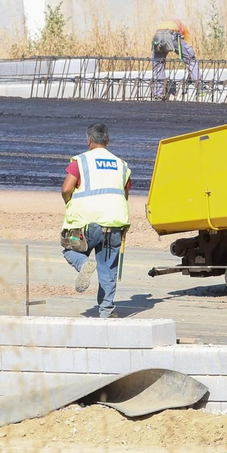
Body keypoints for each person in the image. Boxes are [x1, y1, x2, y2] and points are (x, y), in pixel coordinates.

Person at [59, 123, 133, 318]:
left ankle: (84, 265)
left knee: (70, 250)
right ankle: (106, 312)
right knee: (108, 269)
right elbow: (125, 193)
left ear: (89, 140)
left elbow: (66, 188)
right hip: (114, 225)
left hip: (85, 225)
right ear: (108, 141)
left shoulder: (80, 161)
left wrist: (69, 202)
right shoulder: (121, 165)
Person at [151, 18, 199, 100]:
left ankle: (158, 94)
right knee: (191, 60)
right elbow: (187, 45)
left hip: (157, 36)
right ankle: (200, 87)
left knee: (158, 64)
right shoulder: (184, 30)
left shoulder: (167, 23)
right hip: (172, 34)